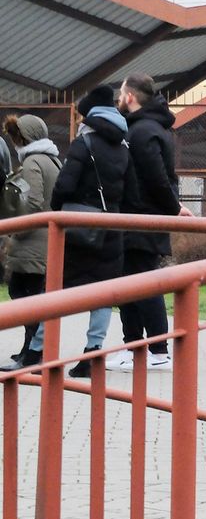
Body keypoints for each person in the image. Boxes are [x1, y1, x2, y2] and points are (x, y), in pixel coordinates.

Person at [20, 85, 135, 377]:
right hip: (112, 227)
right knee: (103, 293)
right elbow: (131, 191)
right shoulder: (124, 145)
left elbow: (65, 185)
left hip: (78, 227)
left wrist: (59, 211)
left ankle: (37, 352)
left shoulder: (84, 143)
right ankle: (91, 355)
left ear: (89, 115)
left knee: (55, 287)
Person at [105, 73, 187, 372]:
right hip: (137, 216)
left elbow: (157, 176)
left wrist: (174, 207)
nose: (118, 99)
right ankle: (133, 347)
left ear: (130, 96)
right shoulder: (146, 128)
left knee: (143, 281)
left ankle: (159, 350)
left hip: (141, 217)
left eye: (121, 94)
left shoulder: (143, 131)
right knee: (129, 282)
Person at [1, 115, 61, 372]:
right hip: (44, 240)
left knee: (24, 293)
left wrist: (15, 230)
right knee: (29, 294)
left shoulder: (33, 162)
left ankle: (34, 353)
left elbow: (33, 201)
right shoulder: (52, 159)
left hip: (31, 242)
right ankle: (30, 348)